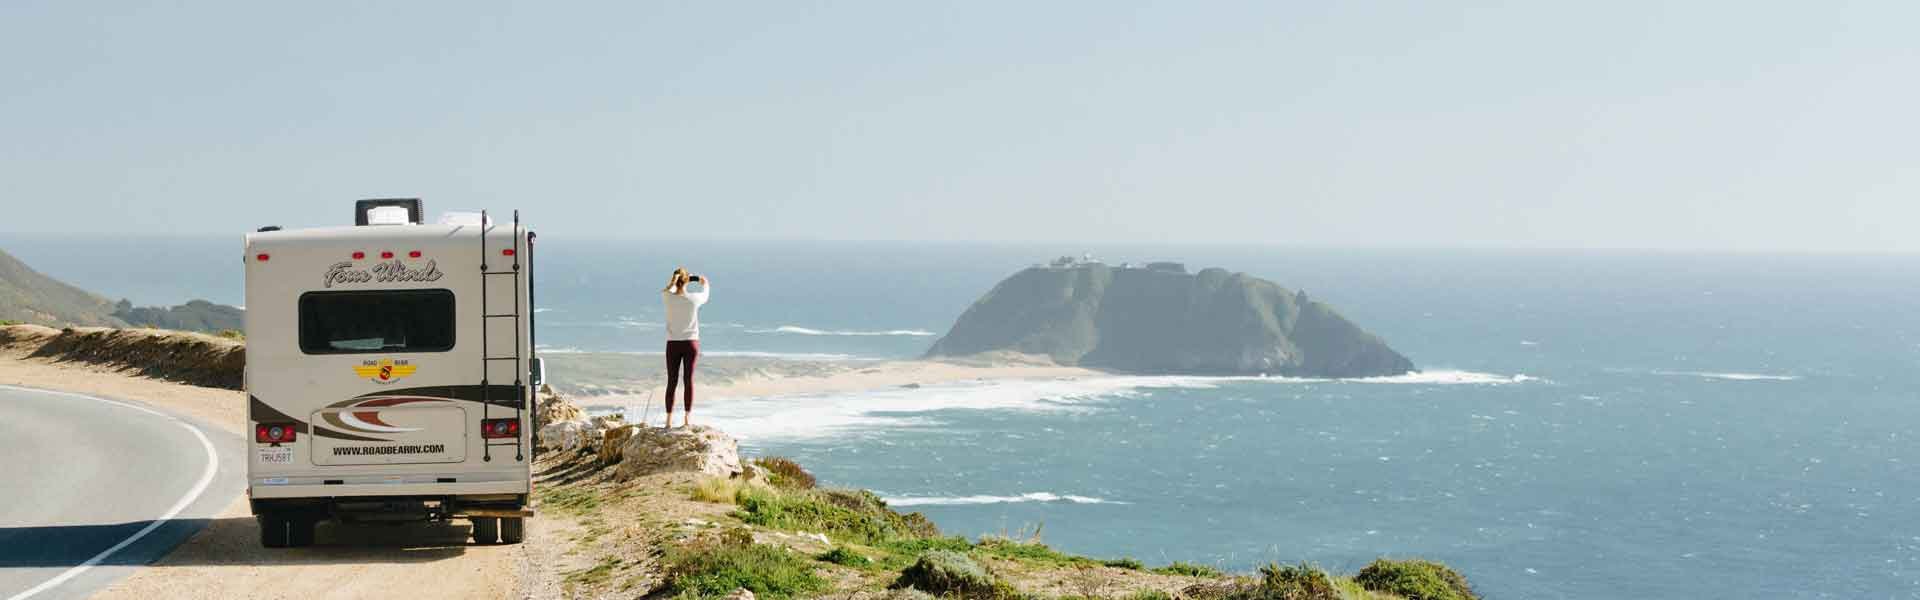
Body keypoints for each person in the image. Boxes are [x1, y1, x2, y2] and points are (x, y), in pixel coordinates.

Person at [661, 267, 709, 428]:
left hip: (673, 343)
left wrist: (677, 280)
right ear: (687, 280)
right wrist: (700, 280)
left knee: (672, 382)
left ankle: (668, 421)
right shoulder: (694, 299)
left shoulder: (668, 297)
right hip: (691, 343)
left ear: (675, 280)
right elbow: (706, 288)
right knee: (688, 380)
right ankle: (687, 419)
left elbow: (669, 289)